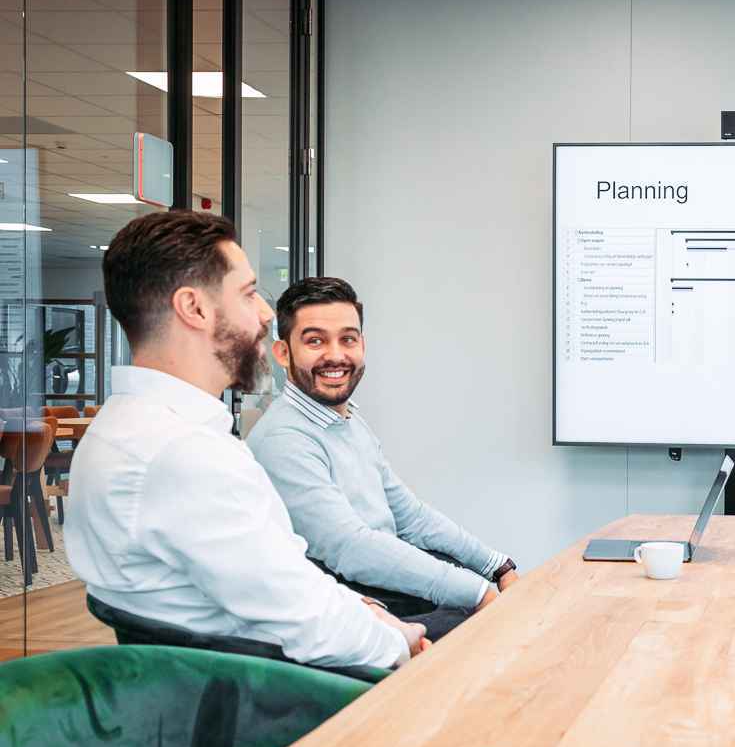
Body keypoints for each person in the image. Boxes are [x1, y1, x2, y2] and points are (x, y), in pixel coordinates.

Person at [67, 211, 426, 670]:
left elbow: (281, 582)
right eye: (249, 293)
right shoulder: (185, 455)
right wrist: (401, 642)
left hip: (220, 688)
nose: (264, 315)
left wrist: (362, 609)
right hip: (285, 695)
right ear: (194, 308)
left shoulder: (120, 431)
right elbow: (311, 625)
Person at [247, 277, 518, 642]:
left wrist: (497, 566)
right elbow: (352, 549)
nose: (336, 355)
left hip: (390, 590)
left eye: (348, 339)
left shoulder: (348, 421)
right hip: (359, 608)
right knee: (492, 630)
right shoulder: (285, 439)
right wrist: (479, 593)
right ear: (283, 353)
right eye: (315, 341)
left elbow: (410, 516)